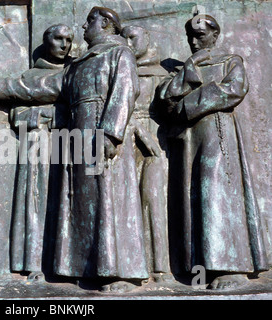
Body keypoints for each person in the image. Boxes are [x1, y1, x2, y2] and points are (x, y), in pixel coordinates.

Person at [0, 7, 149, 292]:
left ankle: (119, 273)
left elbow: (125, 91)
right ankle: (88, 268)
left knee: (111, 201)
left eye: (89, 21)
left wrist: (111, 135)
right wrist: (0, 86)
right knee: (82, 201)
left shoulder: (119, 54)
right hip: (79, 132)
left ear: (105, 24)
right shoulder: (79, 64)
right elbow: (45, 86)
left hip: (102, 131)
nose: (83, 26)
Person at [157, 14, 269, 289]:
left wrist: (190, 103)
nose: (194, 42)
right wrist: (188, 72)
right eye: (190, 37)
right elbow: (167, 99)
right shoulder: (187, 68)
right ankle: (199, 266)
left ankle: (230, 267)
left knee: (218, 193)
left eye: (201, 36)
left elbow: (233, 89)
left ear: (215, 35)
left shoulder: (230, 61)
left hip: (218, 134)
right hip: (190, 139)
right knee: (192, 196)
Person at [9, 24, 73, 281]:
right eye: (58, 38)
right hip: (39, 146)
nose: (64, 44)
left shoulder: (77, 72)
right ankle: (35, 263)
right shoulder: (30, 76)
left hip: (72, 146)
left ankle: (67, 264)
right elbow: (17, 115)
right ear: (47, 42)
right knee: (36, 201)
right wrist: (45, 115)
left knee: (67, 200)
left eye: (69, 39)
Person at [121, 25, 173, 283]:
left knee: (154, 200)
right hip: (125, 138)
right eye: (123, 37)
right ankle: (130, 266)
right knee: (125, 204)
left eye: (133, 37)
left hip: (155, 142)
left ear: (148, 39)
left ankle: (160, 268)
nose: (127, 42)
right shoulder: (118, 68)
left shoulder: (160, 74)